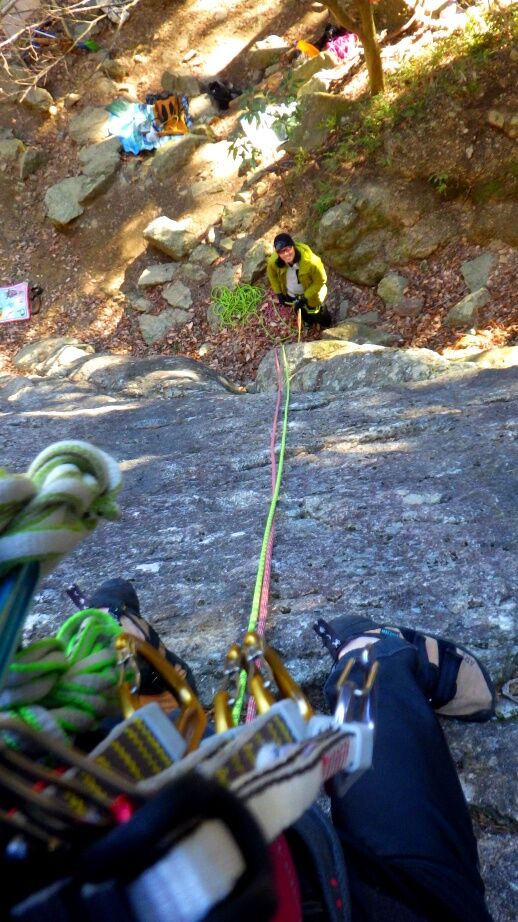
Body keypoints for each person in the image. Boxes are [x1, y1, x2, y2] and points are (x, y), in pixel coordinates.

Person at [267, 233, 332, 328]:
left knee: (319, 315)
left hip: (312, 295)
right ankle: (309, 322)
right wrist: (279, 293)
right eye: (281, 252)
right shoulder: (273, 262)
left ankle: (326, 324)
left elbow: (320, 281)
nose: (285, 254)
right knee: (301, 311)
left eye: (287, 249)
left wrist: (305, 297)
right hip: (292, 295)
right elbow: (272, 276)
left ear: (293, 246)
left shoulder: (312, 262)